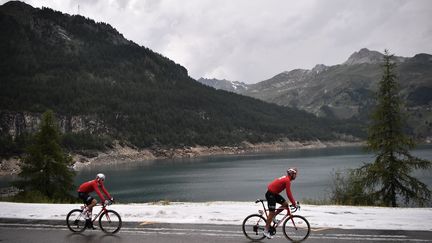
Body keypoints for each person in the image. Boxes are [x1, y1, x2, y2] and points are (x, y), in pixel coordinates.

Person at [263, 168, 298, 239]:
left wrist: (293, 202)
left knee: (285, 204)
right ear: (291, 174)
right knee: (271, 212)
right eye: (295, 174)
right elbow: (288, 193)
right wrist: (294, 203)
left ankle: (273, 217)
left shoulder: (286, 179)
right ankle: (266, 231)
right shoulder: (287, 180)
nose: (296, 176)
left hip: (274, 193)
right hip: (270, 194)